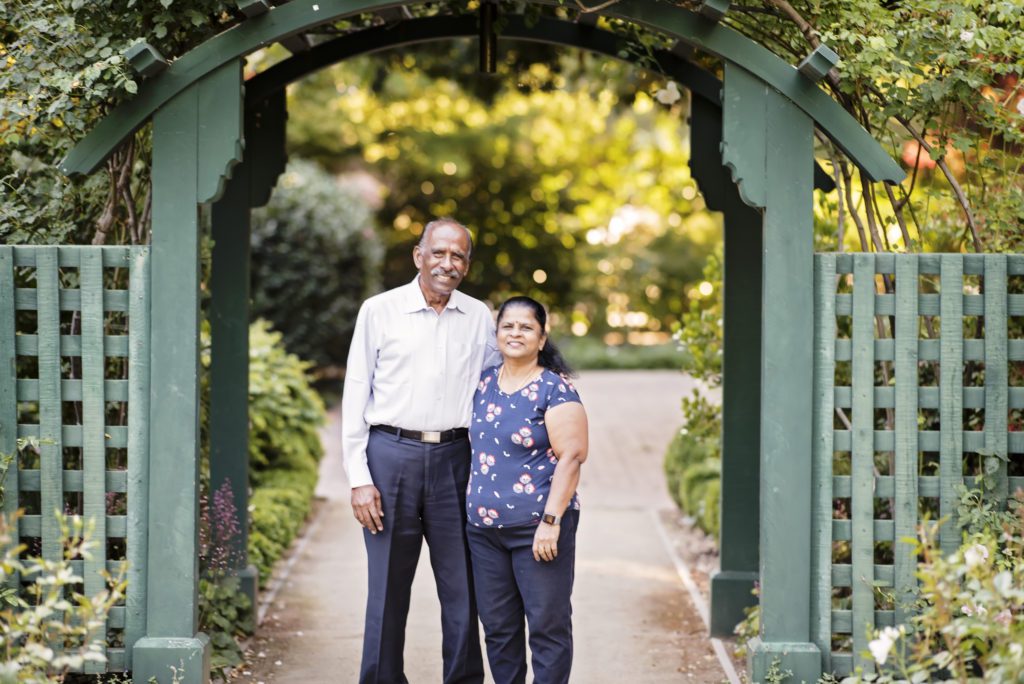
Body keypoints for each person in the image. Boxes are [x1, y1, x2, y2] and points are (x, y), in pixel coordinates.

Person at [342, 217, 495, 684]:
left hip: (458, 460)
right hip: (391, 458)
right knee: (386, 589)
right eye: (439, 253)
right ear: (418, 255)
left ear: (467, 265)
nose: (448, 264)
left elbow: (494, 389)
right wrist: (359, 478)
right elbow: (355, 391)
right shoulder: (379, 311)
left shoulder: (479, 317)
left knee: (463, 589)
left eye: (458, 256)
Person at [465, 295, 589, 684]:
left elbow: (572, 456)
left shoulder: (555, 389)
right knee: (499, 631)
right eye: (508, 326)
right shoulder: (483, 382)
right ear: (497, 333)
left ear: (541, 338)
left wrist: (551, 521)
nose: (515, 333)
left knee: (547, 629)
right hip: (483, 533)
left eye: (526, 327)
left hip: (538, 530)